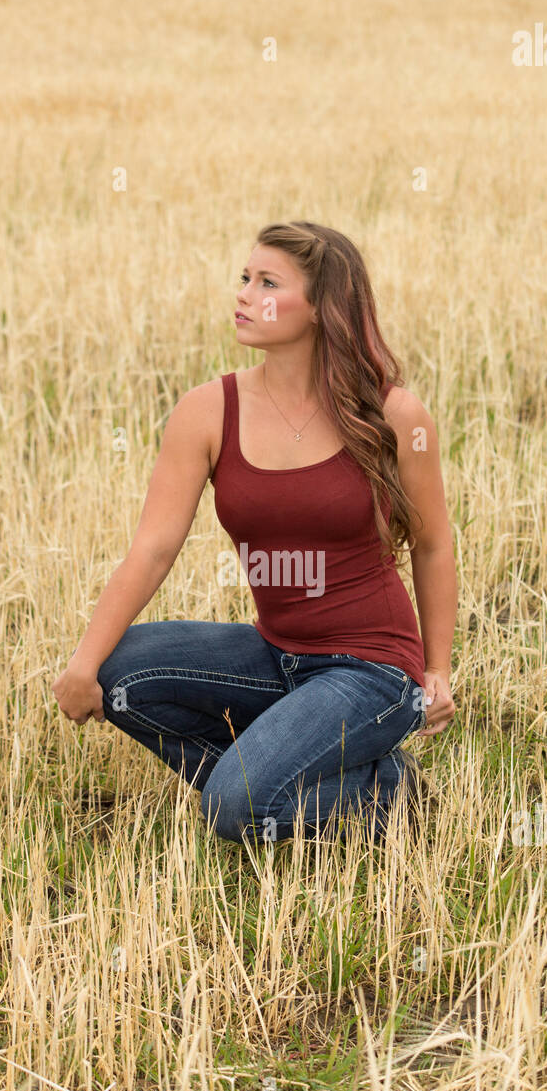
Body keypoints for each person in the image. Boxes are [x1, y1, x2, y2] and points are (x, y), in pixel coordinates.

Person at [52, 220, 457, 847]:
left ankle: (383, 793)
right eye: (245, 277)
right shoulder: (207, 411)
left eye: (268, 283)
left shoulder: (393, 415)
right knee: (120, 676)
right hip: (276, 653)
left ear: (323, 307)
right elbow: (154, 547)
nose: (244, 294)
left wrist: (437, 669)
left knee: (232, 810)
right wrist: (83, 664)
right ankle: (314, 776)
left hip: (372, 669)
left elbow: (433, 545)